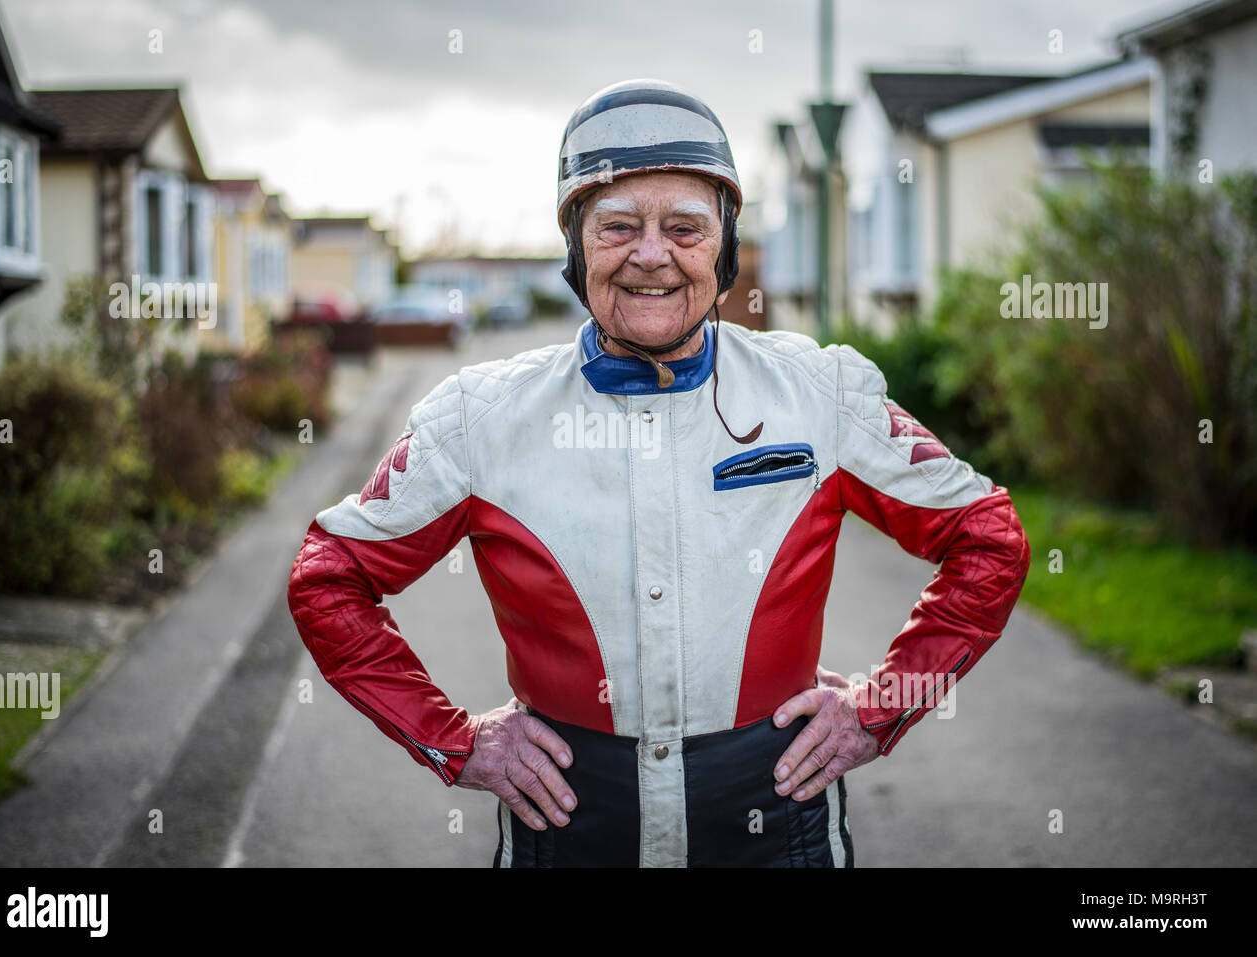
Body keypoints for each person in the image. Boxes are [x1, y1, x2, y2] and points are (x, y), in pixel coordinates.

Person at [287, 79, 1031, 868]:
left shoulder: (822, 392)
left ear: (726, 245)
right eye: (618, 227)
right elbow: (328, 577)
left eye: (684, 226)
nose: (652, 255)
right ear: (575, 245)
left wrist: (880, 710)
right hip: (566, 836)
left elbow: (989, 537)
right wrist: (453, 741)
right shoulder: (479, 416)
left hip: (782, 837)